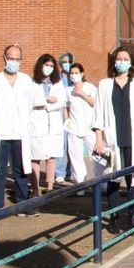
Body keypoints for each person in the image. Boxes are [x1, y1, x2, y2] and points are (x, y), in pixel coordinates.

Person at [93, 46, 134, 233]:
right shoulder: (104, 84)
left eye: (125, 58)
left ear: (131, 62)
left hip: (133, 138)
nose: (121, 62)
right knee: (113, 178)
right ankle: (114, 218)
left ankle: (133, 217)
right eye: (119, 58)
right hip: (112, 139)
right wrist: (98, 139)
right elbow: (98, 113)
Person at [0, 45, 37, 215]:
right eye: (11, 58)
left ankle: (22, 204)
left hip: (20, 133)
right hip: (0, 133)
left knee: (21, 169)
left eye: (17, 59)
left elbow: (30, 105)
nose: (14, 62)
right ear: (4, 58)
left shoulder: (26, 81)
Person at [28, 54, 66, 196]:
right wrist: (47, 100)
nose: (49, 68)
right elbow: (31, 101)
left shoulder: (57, 83)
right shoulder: (32, 83)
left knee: (51, 156)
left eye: (51, 66)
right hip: (37, 121)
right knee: (35, 156)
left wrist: (50, 103)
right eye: (46, 65)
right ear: (40, 65)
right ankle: (35, 188)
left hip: (53, 122)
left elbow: (62, 101)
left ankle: (50, 187)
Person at [65, 63, 97, 196]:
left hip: (90, 127)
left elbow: (95, 103)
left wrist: (81, 94)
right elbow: (66, 107)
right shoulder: (68, 90)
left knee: (96, 156)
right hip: (74, 127)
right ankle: (80, 186)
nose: (74, 75)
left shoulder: (90, 87)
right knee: (75, 157)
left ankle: (102, 184)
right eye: (71, 73)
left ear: (82, 74)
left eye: (76, 73)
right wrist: (66, 121)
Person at [55, 52, 74, 183]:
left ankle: (70, 171)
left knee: (72, 145)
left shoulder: (74, 78)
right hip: (61, 115)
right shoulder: (58, 79)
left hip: (73, 114)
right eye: (65, 62)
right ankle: (59, 172)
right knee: (62, 144)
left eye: (69, 62)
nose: (67, 65)